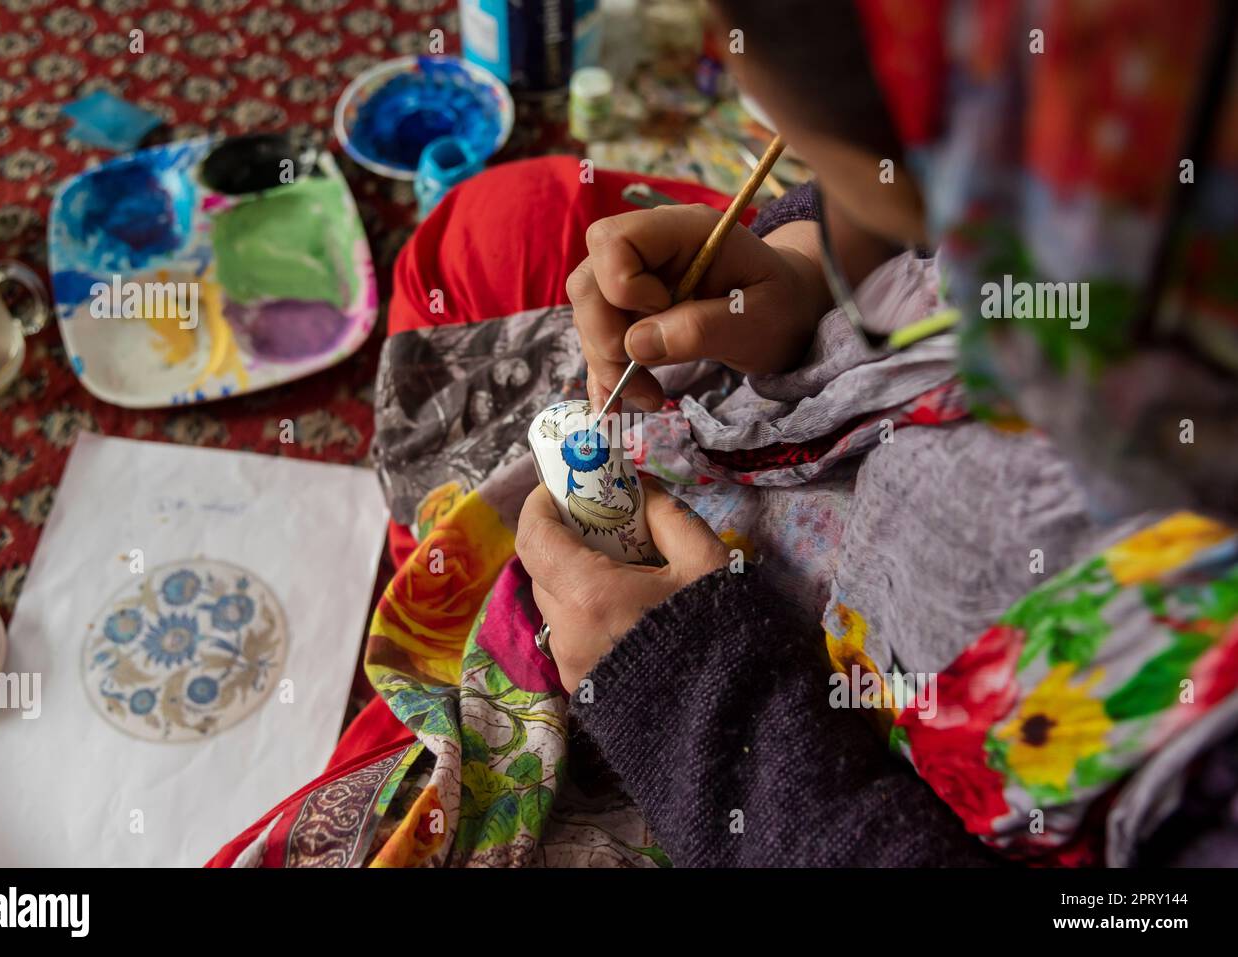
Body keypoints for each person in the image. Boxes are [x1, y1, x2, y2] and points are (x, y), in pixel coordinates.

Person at [514, 0, 1238, 866]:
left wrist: (698, 703)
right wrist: (808, 279)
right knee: (507, 219)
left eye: (864, 192)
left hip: (794, 780)